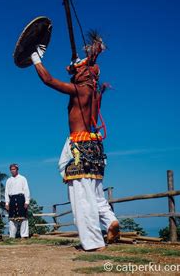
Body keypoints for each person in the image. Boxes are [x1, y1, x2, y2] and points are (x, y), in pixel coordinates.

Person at [30, 32, 119, 251]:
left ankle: (93, 243)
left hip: (80, 147)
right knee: (95, 194)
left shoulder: (80, 91)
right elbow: (77, 73)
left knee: (81, 198)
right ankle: (110, 221)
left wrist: (34, 57)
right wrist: (77, 67)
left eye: (80, 70)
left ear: (86, 76)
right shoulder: (93, 93)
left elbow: (48, 80)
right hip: (94, 148)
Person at [5, 164, 30, 239]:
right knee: (12, 219)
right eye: (11, 169)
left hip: (21, 199)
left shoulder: (22, 178)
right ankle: (12, 236)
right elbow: (6, 192)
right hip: (12, 199)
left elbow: (26, 190)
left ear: (17, 169)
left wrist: (27, 201)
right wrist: (7, 203)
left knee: (23, 218)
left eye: (14, 169)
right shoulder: (9, 180)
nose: (12, 171)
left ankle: (24, 235)